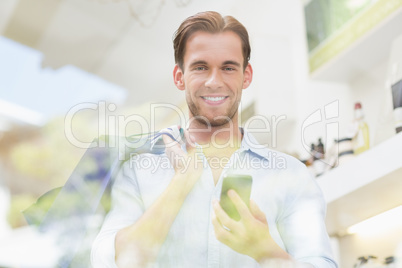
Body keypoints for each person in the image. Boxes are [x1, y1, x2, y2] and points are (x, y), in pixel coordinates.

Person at [91, 11, 338, 268]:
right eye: (200, 67)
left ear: (246, 76)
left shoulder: (292, 175)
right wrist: (181, 182)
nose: (214, 81)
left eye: (228, 68)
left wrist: (266, 251)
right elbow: (108, 261)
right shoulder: (139, 172)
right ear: (179, 77)